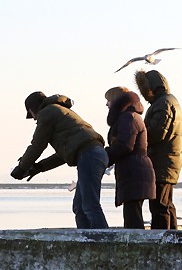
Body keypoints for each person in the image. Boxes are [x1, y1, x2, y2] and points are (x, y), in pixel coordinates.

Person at [11, 91, 109, 228]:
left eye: (31, 115)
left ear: (32, 109)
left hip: (89, 155)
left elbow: (38, 145)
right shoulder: (60, 112)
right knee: (80, 208)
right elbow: (63, 155)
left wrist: (21, 168)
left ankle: (103, 243)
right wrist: (38, 168)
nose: (34, 119)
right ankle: (87, 241)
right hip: (93, 154)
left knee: (89, 205)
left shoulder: (47, 112)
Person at [135, 69, 182, 230]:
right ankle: (174, 239)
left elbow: (157, 133)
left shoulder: (163, 104)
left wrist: (140, 134)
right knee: (167, 204)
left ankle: (161, 242)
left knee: (159, 206)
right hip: (168, 161)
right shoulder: (169, 101)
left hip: (162, 161)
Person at [104, 87, 156, 228]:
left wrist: (104, 156)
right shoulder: (132, 116)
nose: (107, 104)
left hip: (133, 170)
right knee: (133, 213)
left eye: (108, 100)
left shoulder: (128, 117)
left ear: (116, 101)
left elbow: (125, 146)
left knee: (133, 216)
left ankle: (136, 247)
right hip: (135, 168)